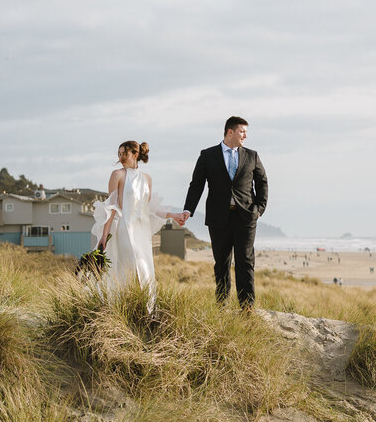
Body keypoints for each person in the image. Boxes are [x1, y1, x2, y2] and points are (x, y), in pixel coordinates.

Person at [92, 141, 188, 312]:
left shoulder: (147, 179)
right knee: (129, 266)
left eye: (125, 154)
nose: (121, 158)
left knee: (144, 268)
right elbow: (112, 207)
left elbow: (149, 207)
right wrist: (104, 234)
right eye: (119, 154)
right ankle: (123, 308)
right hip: (125, 228)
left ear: (135, 155)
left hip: (142, 232)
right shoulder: (117, 175)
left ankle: (146, 310)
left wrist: (173, 215)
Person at [184, 116, 268, 309]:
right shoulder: (207, 155)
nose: (245, 135)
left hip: (246, 217)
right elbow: (197, 184)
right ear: (230, 131)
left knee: (245, 262)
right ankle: (222, 305)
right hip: (218, 218)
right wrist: (188, 209)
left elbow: (262, 182)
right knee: (221, 263)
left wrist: (259, 209)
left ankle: (246, 308)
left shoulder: (252, 155)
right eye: (242, 131)